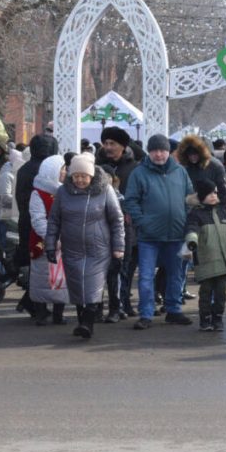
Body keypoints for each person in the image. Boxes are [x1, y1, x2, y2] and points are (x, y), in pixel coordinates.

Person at [44, 152, 125, 339]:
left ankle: (87, 323)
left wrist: (118, 248)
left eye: (84, 176)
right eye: (76, 176)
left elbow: (116, 219)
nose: (80, 180)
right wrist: (50, 244)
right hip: (71, 248)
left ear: (91, 175)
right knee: (77, 287)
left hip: (99, 248)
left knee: (93, 287)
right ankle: (83, 322)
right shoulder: (63, 192)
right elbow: (54, 220)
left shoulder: (105, 190)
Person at [123, 134, 194, 330]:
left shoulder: (180, 172)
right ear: (149, 151)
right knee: (146, 276)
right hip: (149, 236)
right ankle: (146, 314)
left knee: (176, 274)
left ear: (168, 152)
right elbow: (130, 200)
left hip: (177, 234)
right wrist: (142, 222)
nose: (159, 154)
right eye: (155, 150)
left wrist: (186, 219)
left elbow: (189, 199)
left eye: (162, 150)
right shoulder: (139, 173)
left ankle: (173, 310)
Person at [96, 126, 141, 322]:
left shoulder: (135, 168)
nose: (108, 147)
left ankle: (125, 303)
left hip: (129, 225)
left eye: (112, 143)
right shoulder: (97, 167)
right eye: (105, 143)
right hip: (103, 225)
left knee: (127, 267)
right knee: (111, 269)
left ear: (123, 146)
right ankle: (113, 307)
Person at [14, 133, 59, 317]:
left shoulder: (24, 168)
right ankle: (34, 303)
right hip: (45, 222)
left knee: (36, 263)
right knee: (46, 265)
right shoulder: (49, 169)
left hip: (26, 221)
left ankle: (30, 301)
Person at [184, 179, 226, 331]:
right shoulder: (196, 214)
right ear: (201, 196)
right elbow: (191, 229)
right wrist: (191, 240)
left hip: (223, 261)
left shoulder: (222, 212)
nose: (213, 196)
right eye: (209, 193)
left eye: (214, 192)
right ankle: (205, 319)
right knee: (206, 293)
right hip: (206, 261)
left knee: (221, 293)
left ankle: (218, 318)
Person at [28, 155, 70, 325]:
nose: (65, 172)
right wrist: (51, 237)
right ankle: (41, 313)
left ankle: (58, 314)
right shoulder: (38, 193)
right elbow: (38, 219)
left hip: (64, 241)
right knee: (41, 278)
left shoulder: (65, 190)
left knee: (60, 279)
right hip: (43, 242)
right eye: (63, 169)